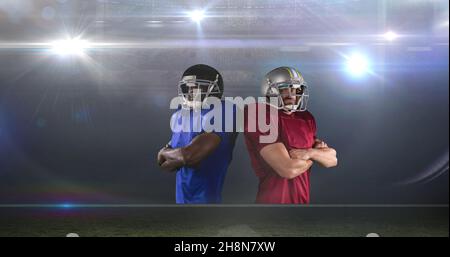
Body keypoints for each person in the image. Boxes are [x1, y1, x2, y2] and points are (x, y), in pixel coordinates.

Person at [244, 66, 338, 204]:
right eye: (285, 89)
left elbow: (332, 160)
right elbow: (288, 169)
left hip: (302, 204)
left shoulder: (306, 117)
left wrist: (309, 152)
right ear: (270, 90)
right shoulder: (259, 113)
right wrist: (316, 155)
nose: (292, 94)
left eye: (296, 89)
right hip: (271, 206)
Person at [157, 64, 237, 204]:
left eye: (196, 87)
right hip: (181, 201)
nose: (190, 92)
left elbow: (188, 156)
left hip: (208, 204)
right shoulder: (182, 114)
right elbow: (164, 164)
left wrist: (166, 152)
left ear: (214, 88)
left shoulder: (224, 110)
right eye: (187, 87)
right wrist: (177, 156)